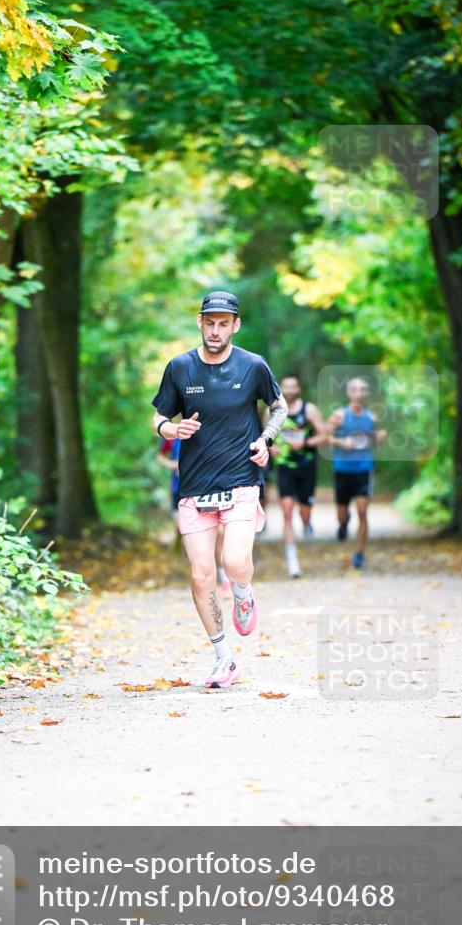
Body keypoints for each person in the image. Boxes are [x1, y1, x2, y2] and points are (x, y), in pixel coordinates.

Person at [151, 290, 287, 689]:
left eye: (223, 323)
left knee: (234, 561)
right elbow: (159, 416)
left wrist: (266, 441)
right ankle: (223, 658)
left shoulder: (253, 366)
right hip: (194, 487)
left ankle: (243, 592)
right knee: (200, 575)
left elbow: (278, 407)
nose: (215, 330)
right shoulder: (180, 368)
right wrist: (171, 429)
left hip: (242, 479)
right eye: (209, 322)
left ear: (235, 325)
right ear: (199, 322)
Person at [269, 374, 327, 578]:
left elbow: (324, 434)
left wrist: (305, 443)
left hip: (306, 466)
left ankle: (307, 521)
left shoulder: (309, 410)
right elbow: (263, 435)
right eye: (286, 387)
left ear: (299, 389)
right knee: (286, 511)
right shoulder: (273, 409)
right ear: (280, 388)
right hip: (284, 466)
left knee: (304, 511)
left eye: (293, 387)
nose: (289, 390)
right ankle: (292, 562)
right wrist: (271, 447)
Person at [157, 436, 231, 594]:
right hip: (179, 490)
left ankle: (224, 579)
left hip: (204, 488)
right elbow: (160, 456)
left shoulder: (203, 429)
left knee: (219, 532)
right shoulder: (171, 435)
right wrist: (174, 465)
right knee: (188, 532)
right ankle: (202, 576)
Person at [327, 376, 387, 569]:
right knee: (341, 514)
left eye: (363, 390)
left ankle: (359, 554)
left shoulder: (372, 417)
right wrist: (340, 442)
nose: (360, 393)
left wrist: (380, 438)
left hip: (364, 468)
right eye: (356, 390)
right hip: (342, 469)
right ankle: (344, 523)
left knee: (363, 511)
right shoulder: (340, 415)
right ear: (349, 393)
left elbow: (374, 442)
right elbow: (325, 437)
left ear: (367, 394)